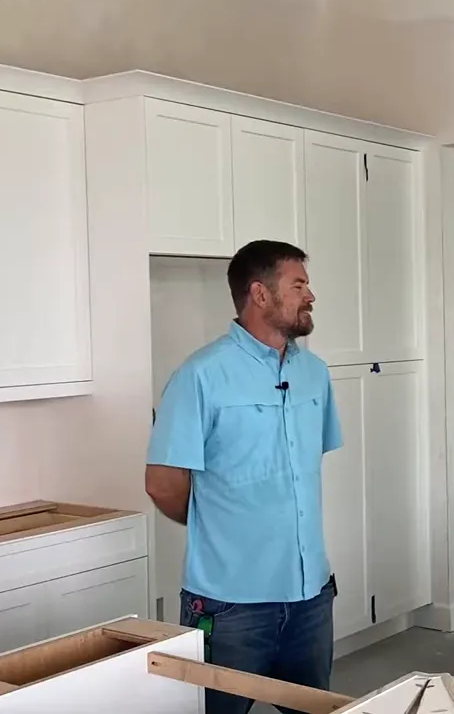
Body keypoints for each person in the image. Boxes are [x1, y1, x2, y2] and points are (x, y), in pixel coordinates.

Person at [145, 239, 342, 714]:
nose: (311, 295)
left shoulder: (315, 374)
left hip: (310, 598)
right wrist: (218, 523)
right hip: (230, 605)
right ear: (260, 294)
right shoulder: (200, 376)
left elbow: (301, 471)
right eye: (298, 285)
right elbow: (163, 483)